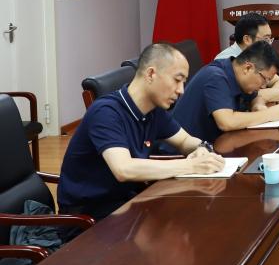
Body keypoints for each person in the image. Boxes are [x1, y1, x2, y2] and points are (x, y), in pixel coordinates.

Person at [57, 43, 225, 224]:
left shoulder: (154, 110)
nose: (181, 90)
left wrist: (200, 148)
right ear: (151, 74)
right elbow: (124, 169)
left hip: (127, 202)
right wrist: (191, 166)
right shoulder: (105, 112)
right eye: (177, 80)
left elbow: (184, 140)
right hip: (89, 217)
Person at [173, 40, 279, 142]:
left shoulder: (236, 72)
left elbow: (256, 97)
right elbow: (226, 122)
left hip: (210, 147)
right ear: (248, 68)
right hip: (181, 153)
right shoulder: (215, 76)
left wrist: (258, 105)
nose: (264, 86)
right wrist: (268, 114)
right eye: (265, 79)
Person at [214, 12, 279, 102]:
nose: (269, 44)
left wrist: (269, 96)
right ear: (247, 39)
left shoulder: (256, 57)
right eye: (266, 39)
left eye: (270, 39)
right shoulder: (226, 62)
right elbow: (248, 97)